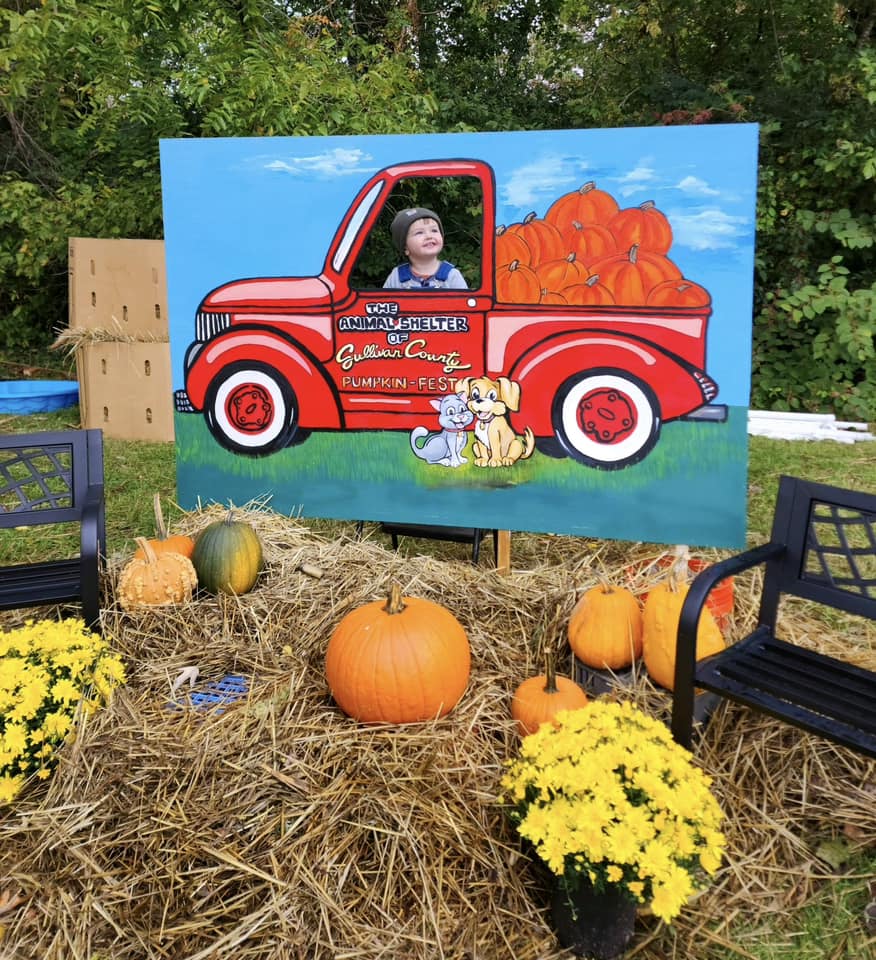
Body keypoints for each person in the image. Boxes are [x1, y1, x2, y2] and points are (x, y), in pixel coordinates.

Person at [383, 207, 468, 289]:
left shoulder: (452, 275)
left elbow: (464, 303)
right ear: (406, 248)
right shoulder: (397, 276)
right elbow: (385, 302)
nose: (429, 236)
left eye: (434, 230)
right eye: (419, 232)